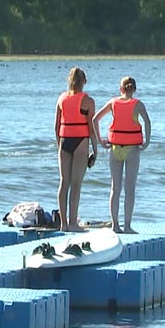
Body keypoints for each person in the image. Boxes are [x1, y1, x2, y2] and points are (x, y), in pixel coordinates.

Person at [93, 76, 152, 234]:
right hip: (132, 149)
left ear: (121, 89)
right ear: (134, 89)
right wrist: (146, 141)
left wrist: (100, 141)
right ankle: (127, 226)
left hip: (115, 148)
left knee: (115, 188)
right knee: (130, 188)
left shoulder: (113, 103)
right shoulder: (138, 104)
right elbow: (147, 122)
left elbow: (95, 119)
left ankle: (115, 225)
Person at [54, 67, 99, 232]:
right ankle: (73, 222)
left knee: (64, 182)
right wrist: (95, 150)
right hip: (81, 141)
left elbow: (56, 126)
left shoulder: (61, 98)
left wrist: (60, 145)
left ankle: (63, 224)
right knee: (76, 184)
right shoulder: (88, 101)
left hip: (65, 139)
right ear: (84, 82)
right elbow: (91, 129)